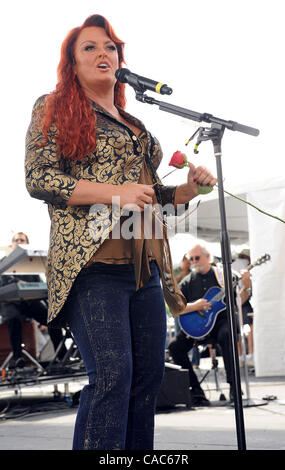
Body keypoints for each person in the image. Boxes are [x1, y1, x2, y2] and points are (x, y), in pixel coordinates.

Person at [25, 14, 217, 450]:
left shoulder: (138, 129)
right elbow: (40, 180)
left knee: (145, 382)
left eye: (110, 46)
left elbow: (151, 196)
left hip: (145, 272)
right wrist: (116, 193)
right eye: (89, 48)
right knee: (112, 378)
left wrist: (190, 189)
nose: (102, 53)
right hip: (91, 268)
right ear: (72, 65)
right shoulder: (52, 107)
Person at [168, 244, 251, 405]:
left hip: (221, 323)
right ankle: (195, 391)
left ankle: (234, 387)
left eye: (197, 258)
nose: (193, 262)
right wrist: (195, 306)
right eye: (190, 259)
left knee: (227, 335)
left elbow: (240, 300)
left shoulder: (222, 276)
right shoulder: (186, 282)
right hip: (198, 328)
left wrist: (246, 287)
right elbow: (176, 309)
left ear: (208, 257)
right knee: (174, 348)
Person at [0, 233, 66, 368]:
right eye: (16, 240)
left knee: (52, 318)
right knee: (13, 318)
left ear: (27, 243)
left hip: (29, 302)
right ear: (11, 245)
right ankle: (18, 357)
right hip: (10, 302)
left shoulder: (32, 264)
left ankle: (62, 356)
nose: (19, 242)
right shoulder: (3, 261)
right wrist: (18, 282)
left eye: (22, 240)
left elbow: (41, 287)